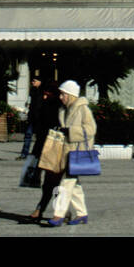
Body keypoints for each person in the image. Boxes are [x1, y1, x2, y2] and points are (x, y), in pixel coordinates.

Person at [45, 79, 96, 227]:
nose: (61, 97)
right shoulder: (63, 110)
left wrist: (71, 131)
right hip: (66, 152)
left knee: (65, 184)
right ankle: (82, 214)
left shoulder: (83, 109)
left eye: (63, 94)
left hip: (77, 153)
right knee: (75, 186)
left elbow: (91, 129)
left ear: (71, 95)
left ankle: (58, 215)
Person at [28, 81, 59, 220]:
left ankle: (47, 209)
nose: (45, 95)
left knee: (55, 181)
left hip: (56, 146)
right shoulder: (44, 103)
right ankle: (48, 209)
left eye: (48, 92)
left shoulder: (59, 106)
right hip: (42, 145)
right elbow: (35, 117)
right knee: (49, 182)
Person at [19, 76, 43, 159]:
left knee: (39, 137)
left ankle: (37, 153)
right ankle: (24, 154)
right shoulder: (32, 91)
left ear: (39, 82)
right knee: (28, 135)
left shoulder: (43, 91)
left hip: (39, 117)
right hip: (32, 116)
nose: (32, 82)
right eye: (32, 81)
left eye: (34, 81)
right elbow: (29, 101)